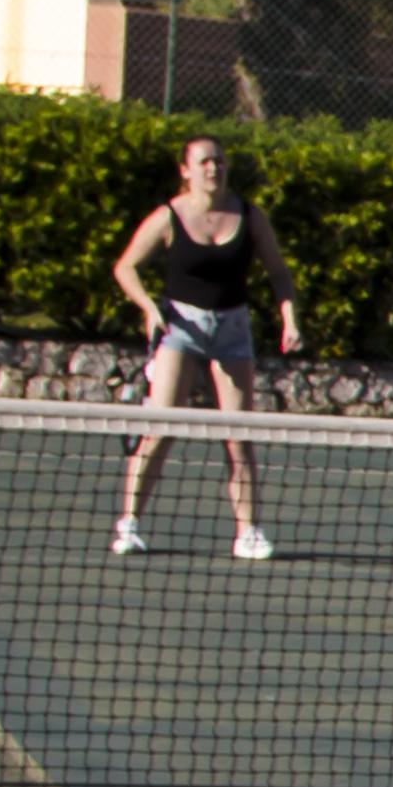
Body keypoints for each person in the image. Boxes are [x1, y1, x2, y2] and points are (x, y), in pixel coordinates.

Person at [107, 137, 302, 560]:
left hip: (232, 331)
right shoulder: (168, 217)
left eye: (220, 160)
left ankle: (248, 532)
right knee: (162, 429)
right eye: (205, 162)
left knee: (238, 436)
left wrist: (289, 319)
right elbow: (125, 266)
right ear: (186, 170)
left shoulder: (250, 217)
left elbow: (279, 274)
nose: (214, 168)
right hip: (181, 329)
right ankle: (129, 523)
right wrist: (148, 307)